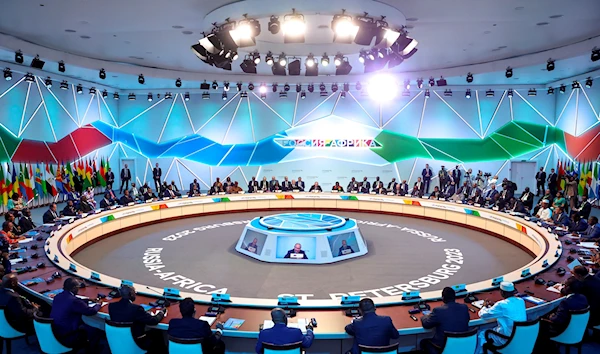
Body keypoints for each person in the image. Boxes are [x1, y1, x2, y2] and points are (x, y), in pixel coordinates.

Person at [535, 277, 588, 353]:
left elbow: (557, 320)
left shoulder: (566, 302)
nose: (563, 287)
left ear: (568, 288)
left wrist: (550, 316)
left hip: (564, 330)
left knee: (540, 323)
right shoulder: (583, 298)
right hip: (578, 330)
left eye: (565, 285)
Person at [108, 285, 166, 353]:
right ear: (131, 295)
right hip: (136, 342)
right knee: (158, 333)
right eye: (134, 293)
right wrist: (162, 312)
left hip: (118, 341)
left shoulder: (112, 306)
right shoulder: (136, 309)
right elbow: (154, 320)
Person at [51, 278, 102, 350]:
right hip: (68, 335)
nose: (79, 289)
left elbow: (75, 302)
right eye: (78, 287)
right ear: (74, 288)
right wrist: (99, 304)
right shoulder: (74, 301)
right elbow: (91, 311)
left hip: (56, 331)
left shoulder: (58, 296)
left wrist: (88, 300)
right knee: (95, 329)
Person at [477, 282, 526, 353]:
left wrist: (484, 306)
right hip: (519, 337)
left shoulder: (501, 305)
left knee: (481, 334)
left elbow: (483, 315)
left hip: (505, 339)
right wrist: (495, 306)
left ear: (502, 293)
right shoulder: (521, 301)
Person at [420, 287, 470, 354]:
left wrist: (424, 316)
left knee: (423, 342)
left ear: (443, 298)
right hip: (461, 346)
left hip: (443, 348)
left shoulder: (438, 311)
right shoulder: (464, 308)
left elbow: (426, 324)